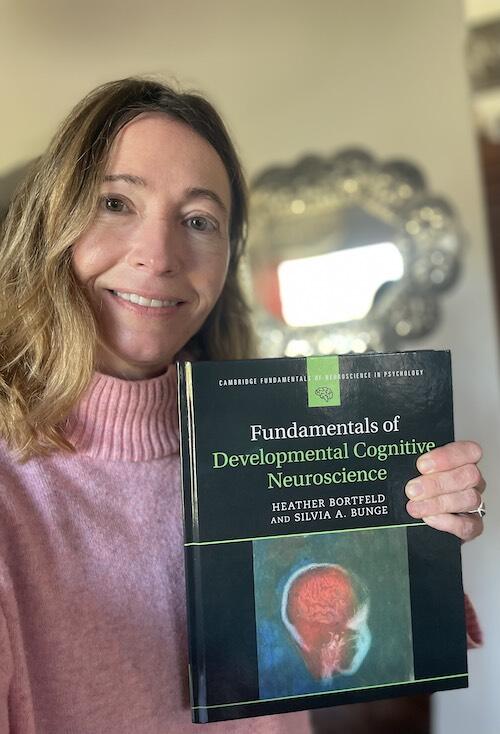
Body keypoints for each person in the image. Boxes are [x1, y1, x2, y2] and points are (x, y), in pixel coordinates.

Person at [0, 77, 484, 734]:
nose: (159, 256)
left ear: (226, 261)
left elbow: (361, 652)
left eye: (198, 221)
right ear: (48, 224)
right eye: (115, 202)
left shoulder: (267, 453)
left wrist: (418, 544)